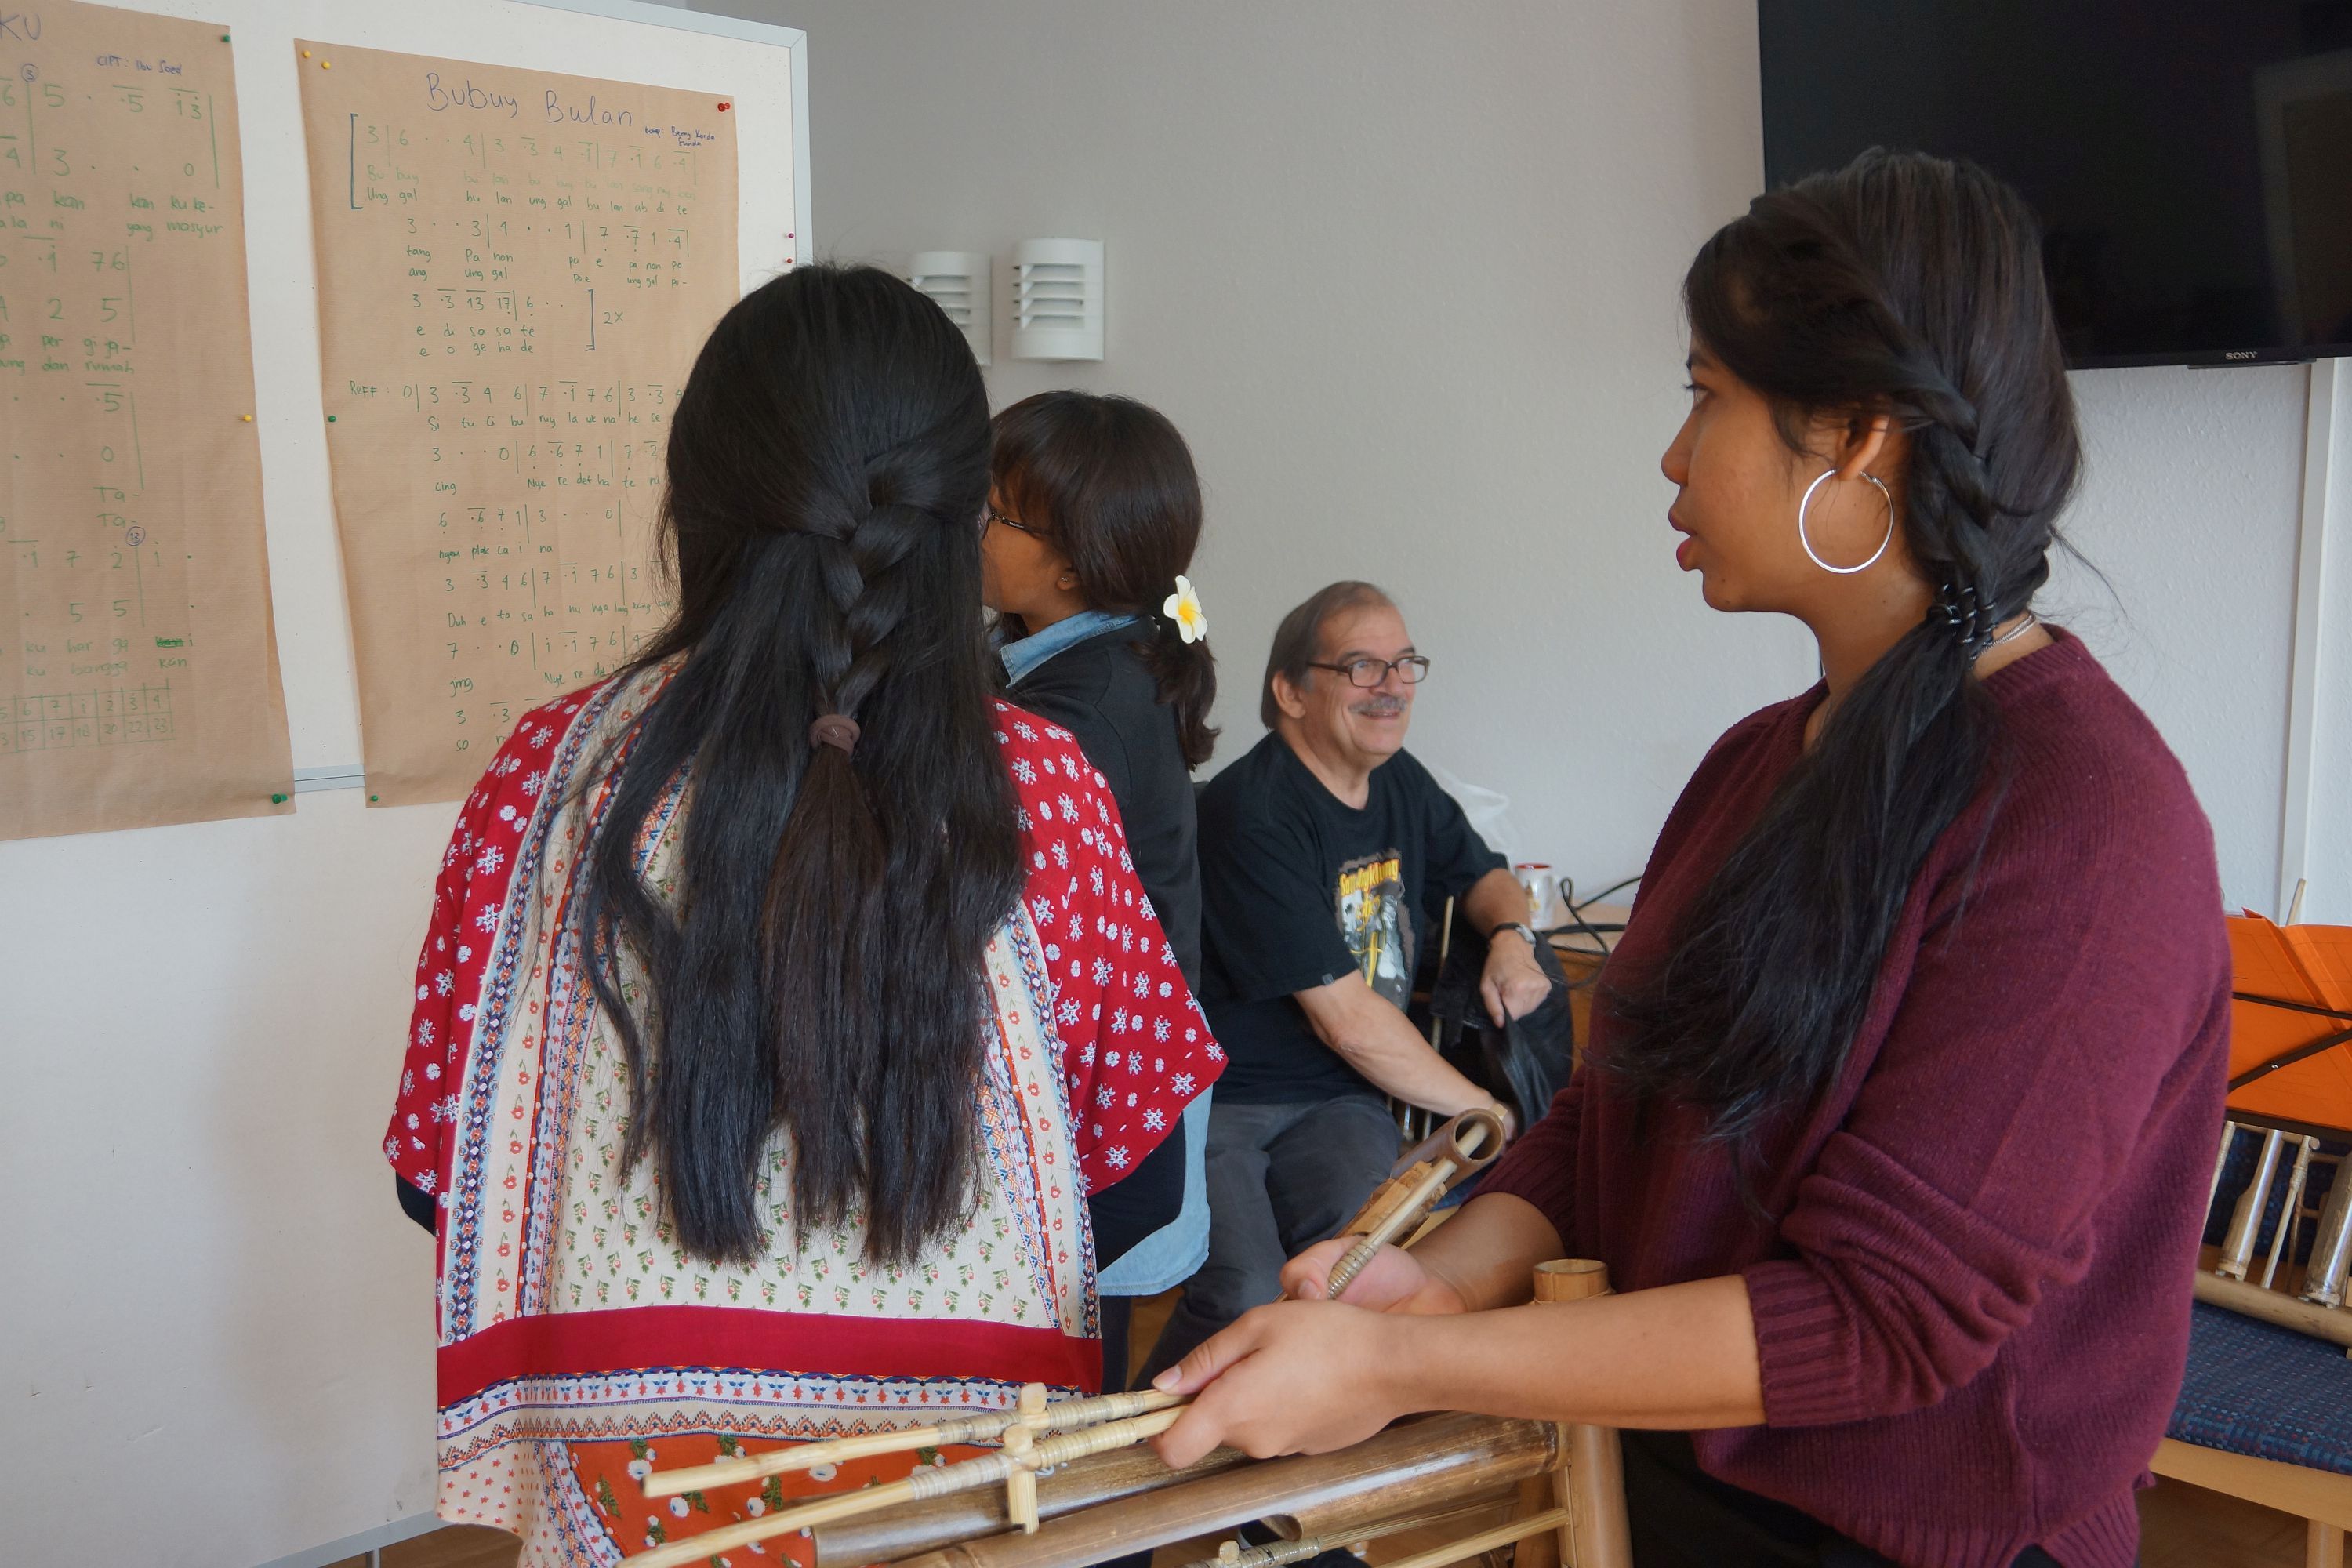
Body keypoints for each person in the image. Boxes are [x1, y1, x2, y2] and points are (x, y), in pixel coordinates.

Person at [1151, 151, 2230, 1568]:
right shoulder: (1757, 763)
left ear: (1858, 438)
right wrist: (1444, 1288)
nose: (1673, 455)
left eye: (1705, 396)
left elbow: (1885, 1320)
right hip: (1668, 1486)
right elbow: (1611, 1129)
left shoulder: (2085, 819)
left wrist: (1405, 1365)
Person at [380, 265, 1221, 1566]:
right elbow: (1136, 1186)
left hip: (638, 1500)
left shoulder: (545, 777)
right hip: (964, 1491)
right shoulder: (1042, 793)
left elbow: (442, 1183)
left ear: (692, 505)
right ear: (959, 522)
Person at [1139, 581, 1554, 1383]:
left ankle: (1291, 1445)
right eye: (1362, 665)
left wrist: (1511, 937)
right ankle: (1145, 1443)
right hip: (1224, 1098)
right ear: (1291, 692)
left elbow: (1485, 874)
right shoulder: (1253, 811)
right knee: (1244, 1293)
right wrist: (1488, 1111)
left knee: (1355, 1275)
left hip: (1339, 1100)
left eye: (1404, 664)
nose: (1391, 686)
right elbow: (1349, 1023)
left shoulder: (1401, 781)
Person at [981, 390, 1221, 1390]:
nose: (974, 529)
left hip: (1116, 1079)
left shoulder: (1079, 713)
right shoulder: (1081, 657)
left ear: (1073, 565)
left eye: (996, 514)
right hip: (1120, 1063)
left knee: (1075, 1373)